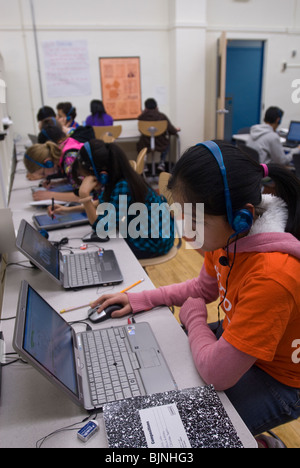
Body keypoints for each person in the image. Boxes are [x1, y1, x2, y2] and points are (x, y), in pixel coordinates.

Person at [90, 140, 300, 445]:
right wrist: (140, 299)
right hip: (244, 344)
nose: (185, 232)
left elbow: (217, 373)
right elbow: (203, 289)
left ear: (243, 216)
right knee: (163, 363)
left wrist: (194, 319)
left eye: (195, 221)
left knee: (184, 434)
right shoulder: (230, 236)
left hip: (280, 379)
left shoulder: (272, 276)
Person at [50, 139, 175, 259]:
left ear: (102, 174)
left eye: (87, 177)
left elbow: (101, 229)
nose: (86, 182)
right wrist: (67, 210)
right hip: (150, 234)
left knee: (102, 252)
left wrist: (84, 195)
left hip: (154, 243)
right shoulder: (118, 178)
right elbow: (100, 204)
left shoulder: (123, 186)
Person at [32, 118, 84, 202]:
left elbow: (84, 195)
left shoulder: (69, 158)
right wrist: (58, 183)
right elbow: (77, 180)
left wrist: (50, 195)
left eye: (43, 173)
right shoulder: (69, 144)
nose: (45, 175)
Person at [137, 98, 180, 172]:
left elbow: (141, 130)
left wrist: (144, 112)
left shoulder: (142, 117)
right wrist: (176, 130)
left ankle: (144, 164)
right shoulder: (162, 116)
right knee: (167, 144)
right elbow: (171, 130)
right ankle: (162, 162)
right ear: (156, 107)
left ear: (146, 108)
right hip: (160, 143)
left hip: (146, 143)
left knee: (139, 144)